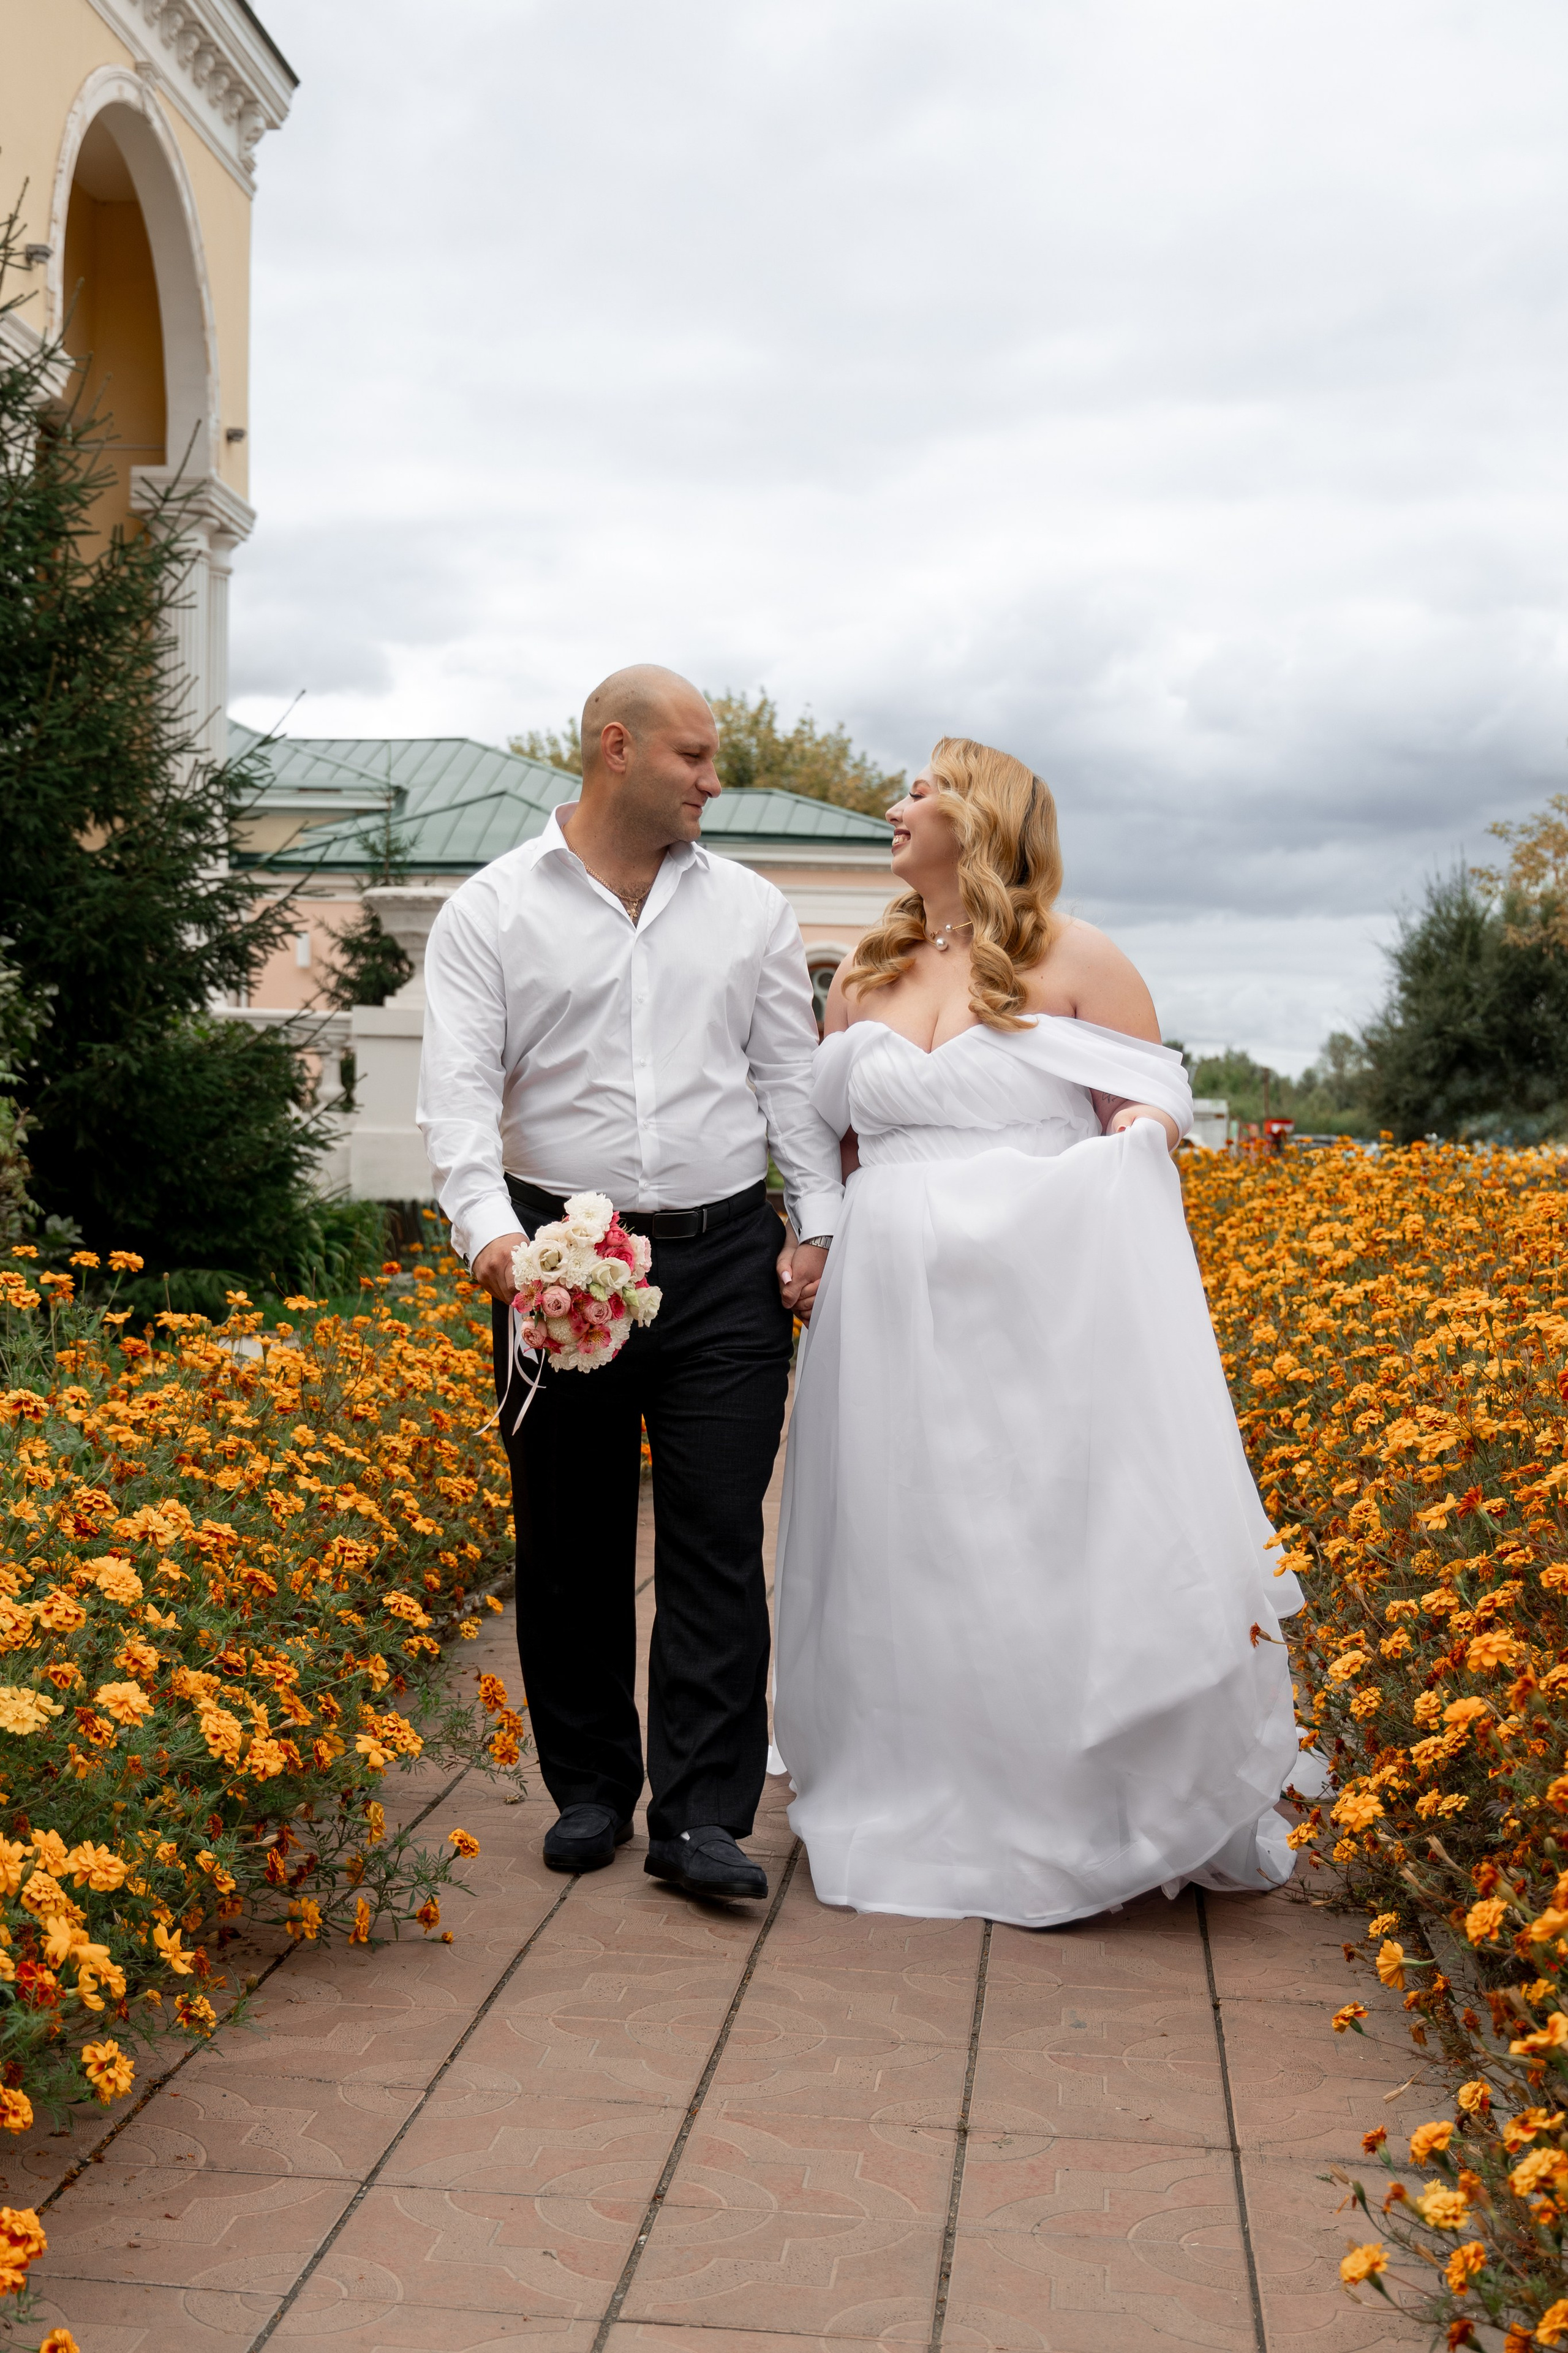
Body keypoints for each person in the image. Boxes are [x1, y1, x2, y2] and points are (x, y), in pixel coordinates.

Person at [771, 735, 1312, 1928]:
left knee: (1027, 1528)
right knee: (899, 1534)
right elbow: (830, 1132)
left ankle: (1069, 1787)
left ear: (978, 816)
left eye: (918, 791)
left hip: (1036, 1295)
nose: (894, 807)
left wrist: (1131, 1146)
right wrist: (818, 1235)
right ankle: (908, 1765)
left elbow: (1150, 1098)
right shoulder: (862, 969)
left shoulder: (1078, 956)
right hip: (887, 1303)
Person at [418, 665, 841, 1902]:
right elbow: (457, 1101)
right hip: (558, 1256)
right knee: (569, 1535)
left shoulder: (752, 909)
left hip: (723, 1262)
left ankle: (701, 1818)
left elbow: (789, 1081)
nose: (714, 779)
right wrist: (495, 1244)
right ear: (617, 748)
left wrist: (819, 1226)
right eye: (693, 756)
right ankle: (593, 1787)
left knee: (717, 1534)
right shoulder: (492, 910)